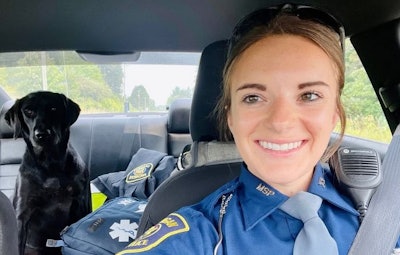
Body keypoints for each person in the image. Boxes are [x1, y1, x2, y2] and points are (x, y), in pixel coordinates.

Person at [117, 4, 398, 255]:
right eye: (253, 98)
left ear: (335, 112)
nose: (281, 121)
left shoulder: (383, 208)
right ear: (230, 118)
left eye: (309, 95)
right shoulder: (196, 236)